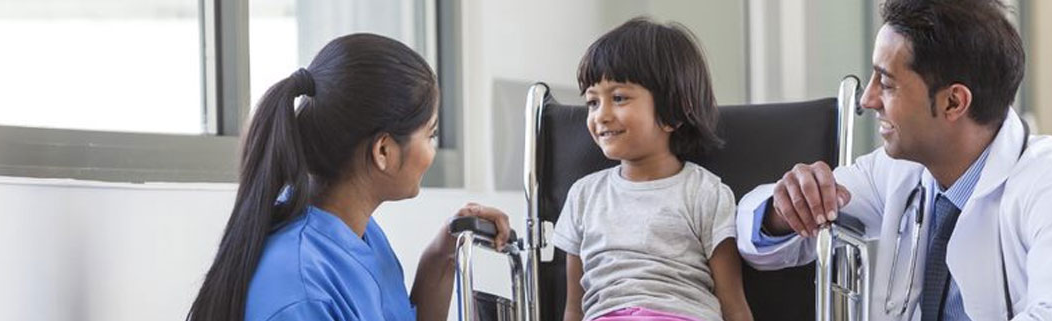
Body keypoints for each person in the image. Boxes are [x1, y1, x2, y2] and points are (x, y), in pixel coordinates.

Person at [734, 0, 1052, 320]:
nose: (868, 99)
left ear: (953, 102)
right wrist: (786, 207)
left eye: (886, 83)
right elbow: (760, 239)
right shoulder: (898, 172)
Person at [186, 33, 513, 321]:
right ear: (383, 151)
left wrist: (443, 253)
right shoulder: (301, 287)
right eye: (430, 134)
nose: (433, 150)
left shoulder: (359, 232)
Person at [551, 17, 753, 321]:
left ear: (674, 111)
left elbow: (733, 304)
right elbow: (574, 308)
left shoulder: (705, 192)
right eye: (592, 102)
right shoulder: (583, 195)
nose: (600, 115)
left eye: (619, 98)